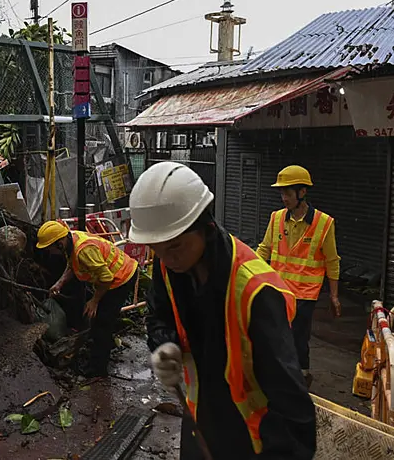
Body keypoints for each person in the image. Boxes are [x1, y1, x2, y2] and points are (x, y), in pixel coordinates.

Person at [129, 162, 315, 460]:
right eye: (157, 248)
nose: (165, 258)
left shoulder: (256, 293)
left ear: (206, 227)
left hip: (253, 439)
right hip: (200, 423)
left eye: (174, 247)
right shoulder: (168, 265)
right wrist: (164, 343)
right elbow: (159, 315)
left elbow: (293, 405)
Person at [256, 165, 341, 389]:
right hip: (278, 289)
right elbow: (264, 250)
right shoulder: (275, 219)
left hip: (305, 294)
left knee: (298, 338)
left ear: (302, 192)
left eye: (288, 192)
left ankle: (301, 377)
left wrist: (334, 295)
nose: (283, 198)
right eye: (281, 192)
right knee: (275, 332)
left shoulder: (324, 223)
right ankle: (278, 374)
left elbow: (332, 260)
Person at [36, 220, 137, 378]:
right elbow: (72, 265)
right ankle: (103, 348)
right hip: (110, 278)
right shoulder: (71, 241)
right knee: (98, 319)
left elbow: (106, 277)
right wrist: (59, 283)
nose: (50, 253)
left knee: (102, 321)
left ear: (60, 243)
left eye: (50, 249)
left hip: (121, 278)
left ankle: (98, 370)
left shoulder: (84, 250)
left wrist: (95, 301)